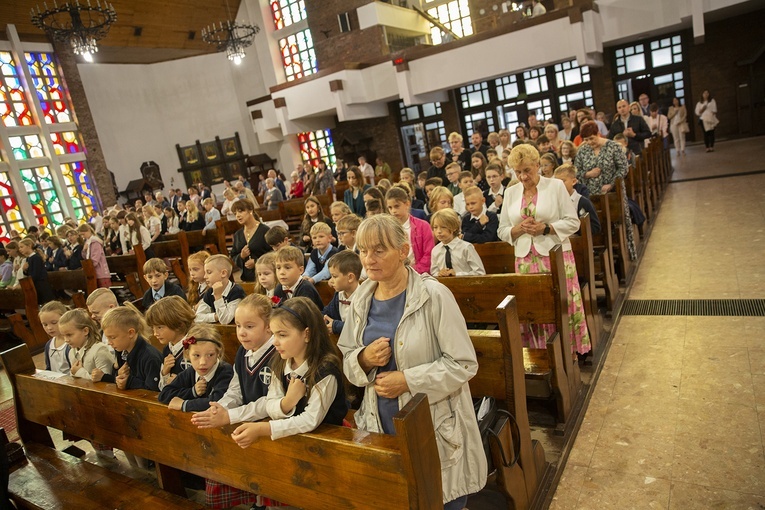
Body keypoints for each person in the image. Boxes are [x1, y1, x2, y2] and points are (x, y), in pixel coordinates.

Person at [337, 214, 487, 508]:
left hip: (433, 424)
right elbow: (347, 359)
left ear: (403, 251)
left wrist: (408, 380)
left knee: (438, 500)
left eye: (379, 250)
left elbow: (463, 364)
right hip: (381, 425)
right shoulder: (360, 300)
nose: (369, 258)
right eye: (363, 250)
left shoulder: (433, 296)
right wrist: (363, 359)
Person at [498, 144, 590, 355]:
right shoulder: (511, 192)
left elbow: (573, 222)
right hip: (524, 258)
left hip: (555, 254)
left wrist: (546, 228)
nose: (522, 176)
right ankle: (541, 354)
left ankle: (568, 353)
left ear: (538, 165)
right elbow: (501, 230)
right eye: (518, 172)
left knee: (561, 305)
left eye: (527, 170)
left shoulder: (555, 186)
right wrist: (517, 230)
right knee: (534, 309)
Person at [229, 296, 348, 456]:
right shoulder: (280, 361)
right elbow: (270, 405)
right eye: (274, 334)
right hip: (294, 442)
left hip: (329, 446)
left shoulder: (325, 369)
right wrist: (288, 402)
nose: (275, 342)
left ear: (307, 334)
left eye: (282, 335)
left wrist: (262, 428)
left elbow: (309, 420)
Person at [190, 294, 278, 510]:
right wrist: (221, 407)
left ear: (268, 327)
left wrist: (230, 415)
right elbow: (236, 388)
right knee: (253, 471)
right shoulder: (243, 351)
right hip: (249, 420)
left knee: (273, 480)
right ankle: (257, 502)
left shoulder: (278, 353)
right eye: (238, 325)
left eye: (249, 326)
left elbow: (270, 401)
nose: (241, 332)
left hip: (271, 423)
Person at [576, 120, 636, 260]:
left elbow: (623, 168)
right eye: (586, 140)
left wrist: (611, 184)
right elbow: (576, 173)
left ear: (598, 134)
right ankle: (603, 257)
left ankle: (627, 254)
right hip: (592, 194)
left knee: (618, 222)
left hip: (613, 193)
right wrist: (588, 174)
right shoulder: (582, 150)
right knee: (598, 225)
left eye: (592, 138)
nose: (590, 142)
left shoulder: (614, 147)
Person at [158, 330, 234, 412]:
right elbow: (164, 394)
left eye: (210, 355)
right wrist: (192, 391)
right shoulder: (191, 371)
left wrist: (185, 404)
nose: (203, 362)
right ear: (188, 355)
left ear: (218, 353)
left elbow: (218, 401)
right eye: (196, 355)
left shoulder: (225, 371)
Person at [99, 305, 162, 391]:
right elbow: (119, 378)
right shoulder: (121, 350)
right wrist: (117, 373)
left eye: (113, 337)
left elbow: (154, 390)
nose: (109, 343)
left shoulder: (150, 357)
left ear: (131, 333)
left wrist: (129, 382)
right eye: (107, 338)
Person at [146, 296, 196, 390]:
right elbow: (162, 389)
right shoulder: (167, 349)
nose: (155, 333)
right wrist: (165, 372)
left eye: (160, 327)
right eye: (153, 328)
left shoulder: (195, 346)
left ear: (178, 324)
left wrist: (180, 382)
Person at [385, 187, 434, 274]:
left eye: (397, 206)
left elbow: (428, 254)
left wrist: (413, 272)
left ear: (407, 204)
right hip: (395, 274)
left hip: (420, 274)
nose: (393, 211)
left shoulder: (423, 226)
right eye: (390, 208)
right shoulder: (386, 230)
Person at [59, 308, 115, 380]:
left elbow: (106, 382)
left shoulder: (100, 350)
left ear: (85, 331)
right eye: (63, 336)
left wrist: (80, 372)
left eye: (69, 335)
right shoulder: (71, 352)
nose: (66, 340)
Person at [431, 208, 486, 277]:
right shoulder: (435, 250)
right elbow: (433, 272)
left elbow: (480, 272)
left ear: (454, 227)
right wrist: (439, 274)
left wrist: (457, 274)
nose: (439, 231)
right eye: (435, 227)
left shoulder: (466, 247)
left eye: (443, 227)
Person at [196, 255, 246, 325]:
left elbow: (225, 320)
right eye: (205, 273)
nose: (205, 277)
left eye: (209, 272)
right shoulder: (210, 291)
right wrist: (215, 317)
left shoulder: (236, 292)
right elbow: (197, 317)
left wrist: (218, 297)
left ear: (223, 273)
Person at [322, 250, 362, 335]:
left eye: (334, 276)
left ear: (350, 277)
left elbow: (360, 327)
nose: (331, 281)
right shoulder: (339, 295)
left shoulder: (363, 297)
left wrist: (336, 326)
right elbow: (327, 312)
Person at [230, 199, 272, 282]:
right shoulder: (238, 234)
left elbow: (273, 253)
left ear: (251, 211)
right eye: (235, 213)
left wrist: (257, 262)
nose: (238, 215)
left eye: (241, 211)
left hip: (265, 277)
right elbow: (233, 256)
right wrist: (241, 256)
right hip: (247, 279)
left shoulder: (265, 230)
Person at [553, 164, 601, 235]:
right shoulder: (553, 201)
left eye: (563, 181)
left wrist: (575, 228)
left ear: (573, 181)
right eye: (556, 182)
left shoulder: (583, 202)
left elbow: (596, 227)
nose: (559, 185)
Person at [272, 246, 324, 310]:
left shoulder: (306, 288)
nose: (281, 272)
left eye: (287, 267)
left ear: (300, 270)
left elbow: (305, 316)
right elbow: (276, 311)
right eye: (278, 268)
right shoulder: (279, 288)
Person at [18, 238, 54, 304]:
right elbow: (29, 273)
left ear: (29, 246)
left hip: (41, 285)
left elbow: (35, 274)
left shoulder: (35, 258)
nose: (20, 249)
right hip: (35, 285)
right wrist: (24, 270)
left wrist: (26, 283)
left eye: (21, 247)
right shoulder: (28, 258)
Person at [40, 301, 70, 374]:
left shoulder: (71, 344)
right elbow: (48, 368)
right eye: (45, 324)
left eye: (54, 323)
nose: (49, 328)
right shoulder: (49, 345)